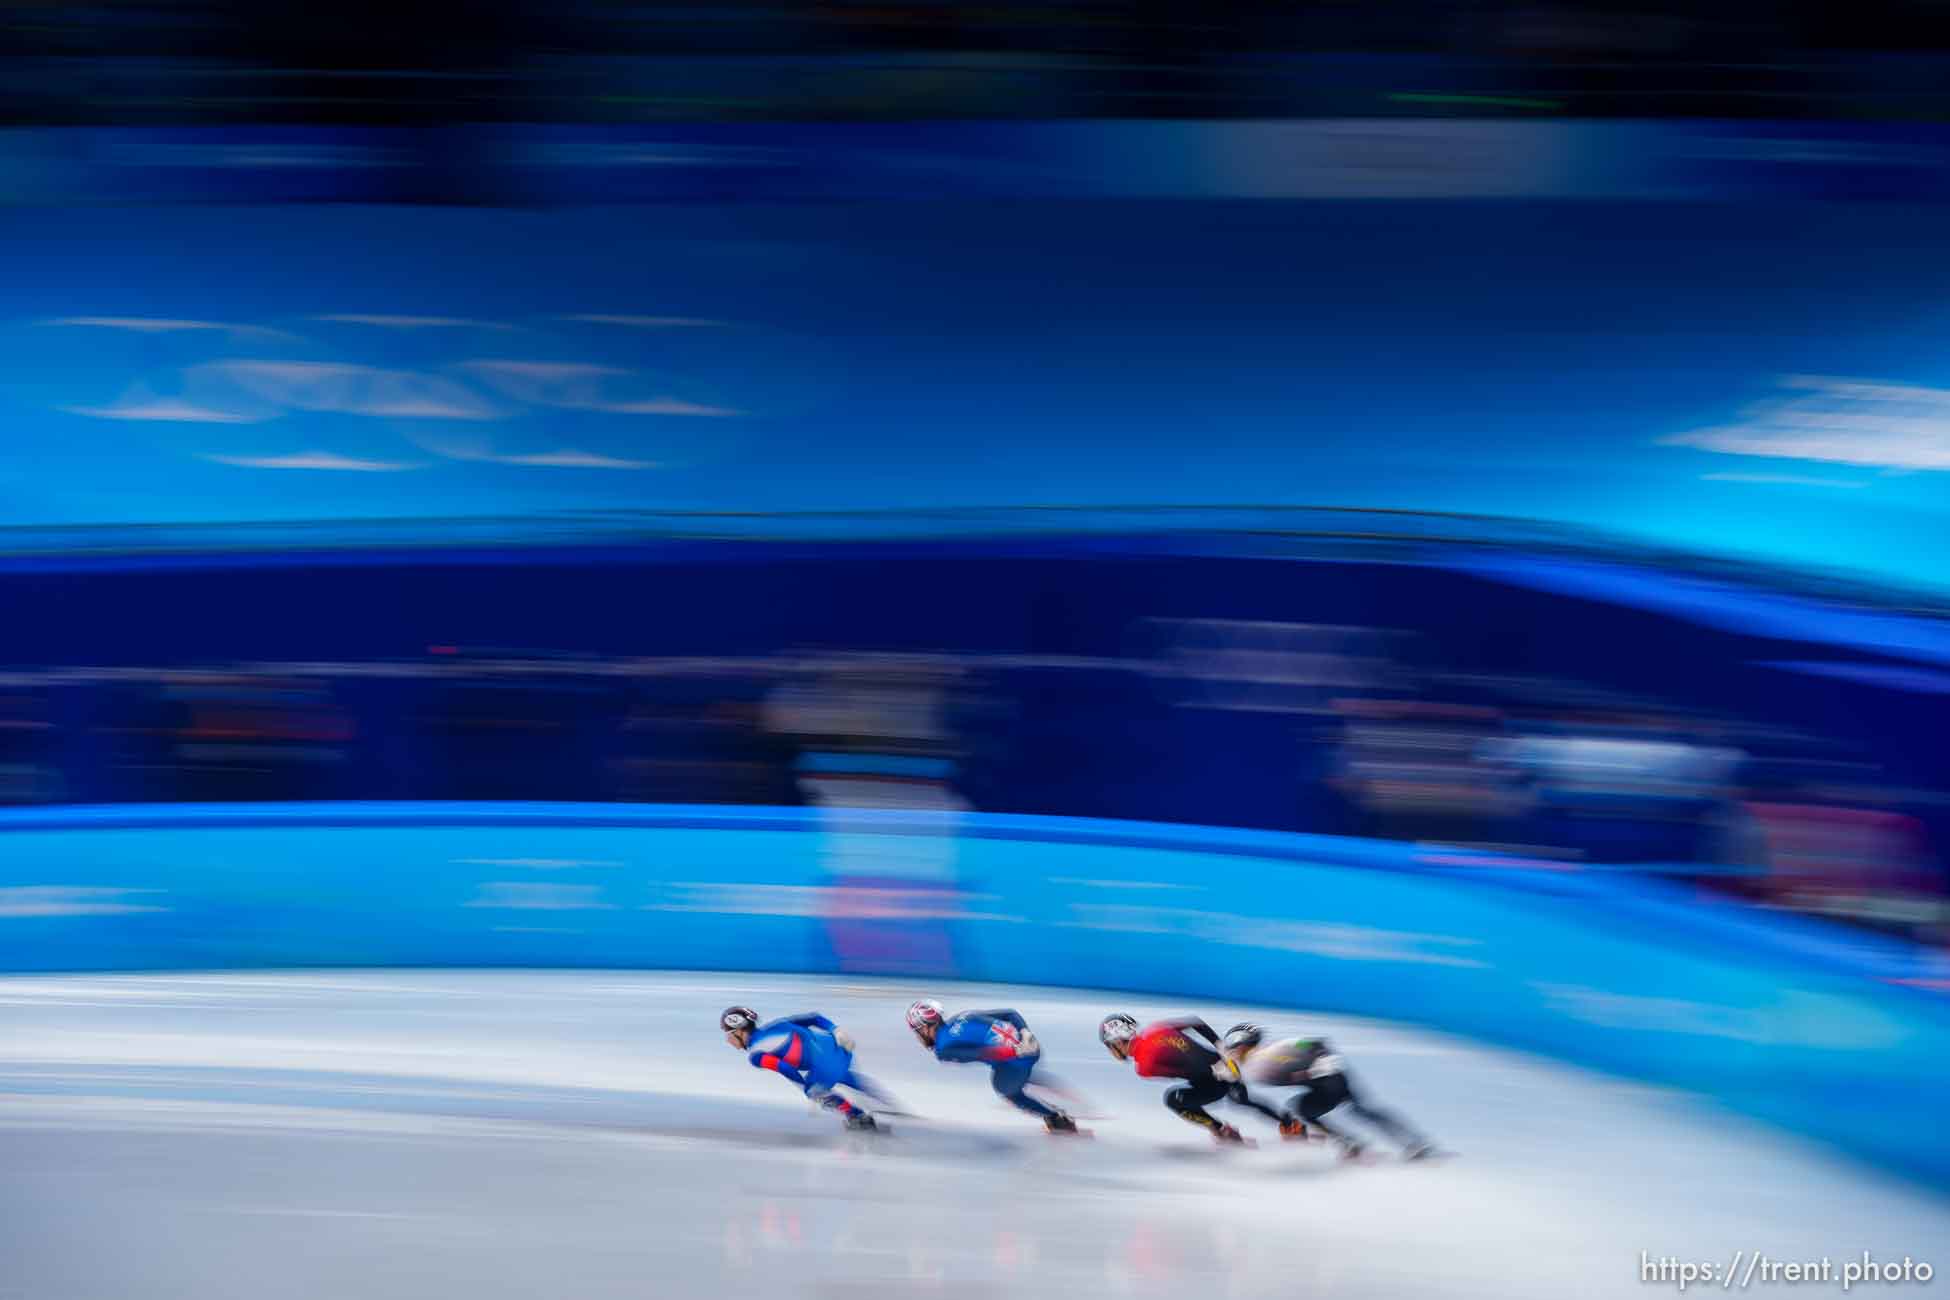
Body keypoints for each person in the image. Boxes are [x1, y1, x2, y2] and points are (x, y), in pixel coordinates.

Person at [1220, 1022, 1437, 1160]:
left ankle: (1413, 1143)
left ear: (1243, 1043)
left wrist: (1324, 1064)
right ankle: (1352, 1143)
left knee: (1358, 1110)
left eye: (1232, 1045)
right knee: (1306, 1109)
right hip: (1323, 1084)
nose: (1231, 1051)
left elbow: (1315, 1043)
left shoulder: (1273, 1051)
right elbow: (1244, 1089)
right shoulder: (1255, 1066)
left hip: (1330, 1078)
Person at [904, 999, 1081, 1135]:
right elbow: (1011, 1014)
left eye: (916, 1032)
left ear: (925, 1029)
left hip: (1017, 1059)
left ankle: (1057, 1119)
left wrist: (1016, 1052)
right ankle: (1039, 1083)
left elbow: (983, 1053)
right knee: (1009, 1074)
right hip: (1031, 1045)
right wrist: (1026, 1034)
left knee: (1005, 1090)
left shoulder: (943, 1049)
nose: (918, 1038)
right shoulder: (964, 1015)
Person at [721, 1006, 890, 1133]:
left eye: (728, 1034)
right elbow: (814, 1017)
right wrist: (836, 1030)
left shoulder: (756, 1055)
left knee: (814, 1090)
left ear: (740, 1032)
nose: (728, 1040)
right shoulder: (777, 1024)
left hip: (825, 1067)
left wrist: (807, 1091)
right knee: (844, 1076)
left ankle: (857, 1116)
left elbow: (785, 1068)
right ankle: (887, 1103)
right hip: (838, 1048)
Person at [1098, 1012, 1261, 1144]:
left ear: (1118, 1042)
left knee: (1172, 1099)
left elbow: (1190, 1067)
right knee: (1244, 1101)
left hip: (1217, 1080)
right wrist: (1221, 1046)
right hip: (1222, 1067)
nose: (1110, 1051)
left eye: (1109, 1046)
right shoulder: (1156, 1029)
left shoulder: (1144, 1067)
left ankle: (1221, 1130)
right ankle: (1224, 1130)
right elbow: (1195, 1021)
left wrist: (1218, 1072)